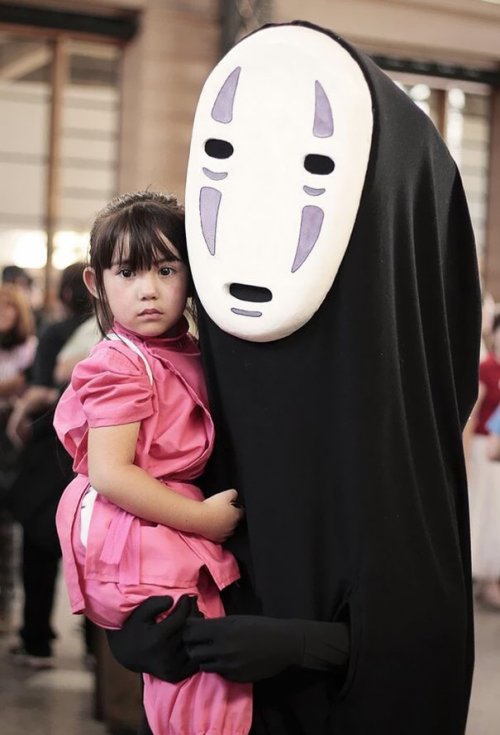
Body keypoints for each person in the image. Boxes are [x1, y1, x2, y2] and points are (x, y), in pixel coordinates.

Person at [107, 22, 481, 735]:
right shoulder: (195, 383)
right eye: (223, 156)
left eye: (314, 166)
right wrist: (141, 631)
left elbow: (425, 631)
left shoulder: (388, 424)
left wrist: (310, 645)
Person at [53, 191, 252, 735]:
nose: (148, 290)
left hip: (163, 530)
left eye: (166, 270)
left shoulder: (185, 348)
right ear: (96, 283)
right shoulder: (120, 364)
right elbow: (110, 472)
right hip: (141, 538)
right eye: (128, 272)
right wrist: (203, 520)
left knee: (208, 690)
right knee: (202, 693)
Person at [6, 262, 92, 667]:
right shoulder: (115, 330)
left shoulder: (57, 332)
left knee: (39, 546)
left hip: (54, 446)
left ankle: (37, 638)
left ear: (65, 293)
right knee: (92, 545)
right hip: (96, 450)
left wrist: (20, 415)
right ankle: (96, 645)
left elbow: (41, 388)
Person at [0, 283, 37, 633]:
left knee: (10, 529)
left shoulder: (29, 348)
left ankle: (7, 607)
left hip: (14, 443)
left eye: (8, 307)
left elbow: (27, 383)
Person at [467, 312, 500, 609]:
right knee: (483, 510)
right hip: (482, 448)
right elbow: (474, 414)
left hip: (496, 450)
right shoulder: (486, 369)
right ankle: (482, 576)